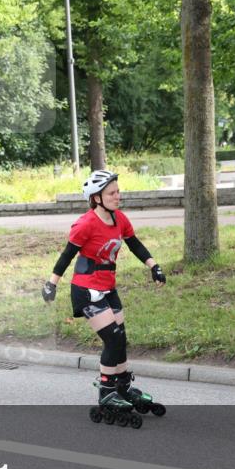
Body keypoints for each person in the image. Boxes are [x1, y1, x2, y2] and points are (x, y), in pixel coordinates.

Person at [42, 170, 166, 417]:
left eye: (118, 191)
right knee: (113, 339)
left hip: (108, 288)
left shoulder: (120, 219)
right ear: (96, 198)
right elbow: (67, 255)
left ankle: (123, 388)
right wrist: (51, 284)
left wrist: (154, 266)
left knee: (121, 339)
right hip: (86, 290)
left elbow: (134, 244)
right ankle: (107, 392)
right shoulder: (85, 224)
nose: (117, 196)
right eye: (111, 193)